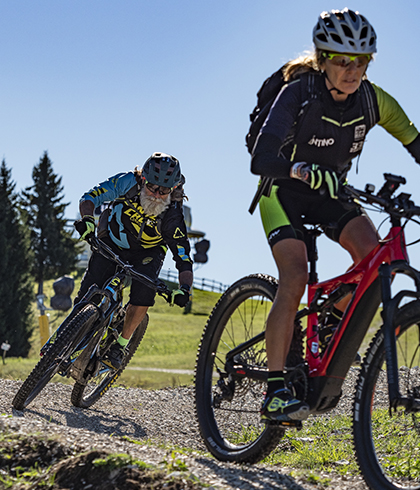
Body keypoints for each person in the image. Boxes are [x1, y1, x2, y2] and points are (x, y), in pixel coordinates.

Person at [250, 8, 420, 423]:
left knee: (375, 256)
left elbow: (416, 143)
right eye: (342, 60)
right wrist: (298, 169)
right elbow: (261, 158)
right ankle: (275, 390)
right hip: (283, 192)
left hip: (331, 194)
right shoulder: (299, 92)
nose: (352, 70)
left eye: (361, 61)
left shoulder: (374, 100)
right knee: (294, 274)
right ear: (322, 59)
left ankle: (330, 317)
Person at [74, 152, 193, 370]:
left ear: (174, 189)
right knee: (89, 289)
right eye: (152, 187)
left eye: (164, 191)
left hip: (148, 253)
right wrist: (88, 220)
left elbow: (183, 258)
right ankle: (71, 334)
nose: (157, 195)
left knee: (144, 293)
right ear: (143, 179)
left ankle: (120, 345)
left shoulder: (173, 215)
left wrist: (184, 289)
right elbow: (90, 197)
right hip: (113, 239)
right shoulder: (127, 182)